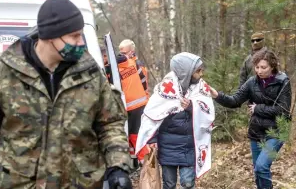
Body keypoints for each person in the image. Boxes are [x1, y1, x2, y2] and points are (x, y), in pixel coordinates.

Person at [0, 0, 132, 189]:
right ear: (50, 36)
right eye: (74, 36)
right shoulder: (4, 72)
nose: (81, 43)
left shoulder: (89, 71)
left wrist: (118, 166)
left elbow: (109, 123)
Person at [210, 48, 292, 189]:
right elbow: (235, 100)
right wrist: (217, 95)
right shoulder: (251, 82)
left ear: (272, 66)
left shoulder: (283, 82)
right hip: (256, 132)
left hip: (276, 132)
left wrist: (257, 108)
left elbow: (283, 110)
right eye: (257, 67)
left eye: (263, 67)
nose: (259, 71)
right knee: (258, 172)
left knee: (261, 167)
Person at [136, 52, 215, 189]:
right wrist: (152, 139)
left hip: (189, 147)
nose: (201, 74)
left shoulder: (201, 88)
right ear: (186, 72)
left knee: (188, 183)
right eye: (198, 71)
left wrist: (191, 107)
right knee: (169, 184)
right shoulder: (165, 90)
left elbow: (207, 112)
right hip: (168, 148)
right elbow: (152, 115)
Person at [116, 39, 149, 167]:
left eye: (123, 52)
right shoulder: (120, 64)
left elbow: (144, 82)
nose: (120, 54)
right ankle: (135, 162)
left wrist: (146, 99)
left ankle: (147, 164)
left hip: (137, 106)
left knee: (136, 136)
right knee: (129, 136)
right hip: (127, 106)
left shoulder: (136, 64)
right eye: (119, 52)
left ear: (131, 52)